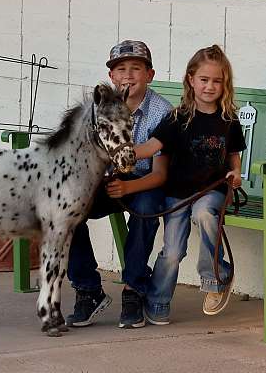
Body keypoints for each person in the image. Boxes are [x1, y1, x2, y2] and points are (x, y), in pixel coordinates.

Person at [134, 44, 246, 325]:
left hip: (213, 191)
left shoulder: (228, 121)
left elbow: (234, 158)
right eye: (204, 80)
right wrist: (125, 152)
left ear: (225, 84)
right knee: (172, 251)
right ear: (191, 80)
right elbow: (151, 146)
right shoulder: (177, 118)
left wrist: (236, 175)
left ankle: (216, 278)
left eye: (217, 81)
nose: (210, 87)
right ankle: (157, 301)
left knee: (204, 213)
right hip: (178, 193)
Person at [66, 40, 172, 329]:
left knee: (148, 207)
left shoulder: (162, 112)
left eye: (136, 69)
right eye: (121, 69)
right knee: (69, 211)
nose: (128, 75)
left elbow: (161, 175)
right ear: (111, 77)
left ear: (150, 75)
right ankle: (88, 289)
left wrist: (127, 188)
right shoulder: (99, 109)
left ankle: (134, 288)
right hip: (106, 181)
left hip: (144, 182)